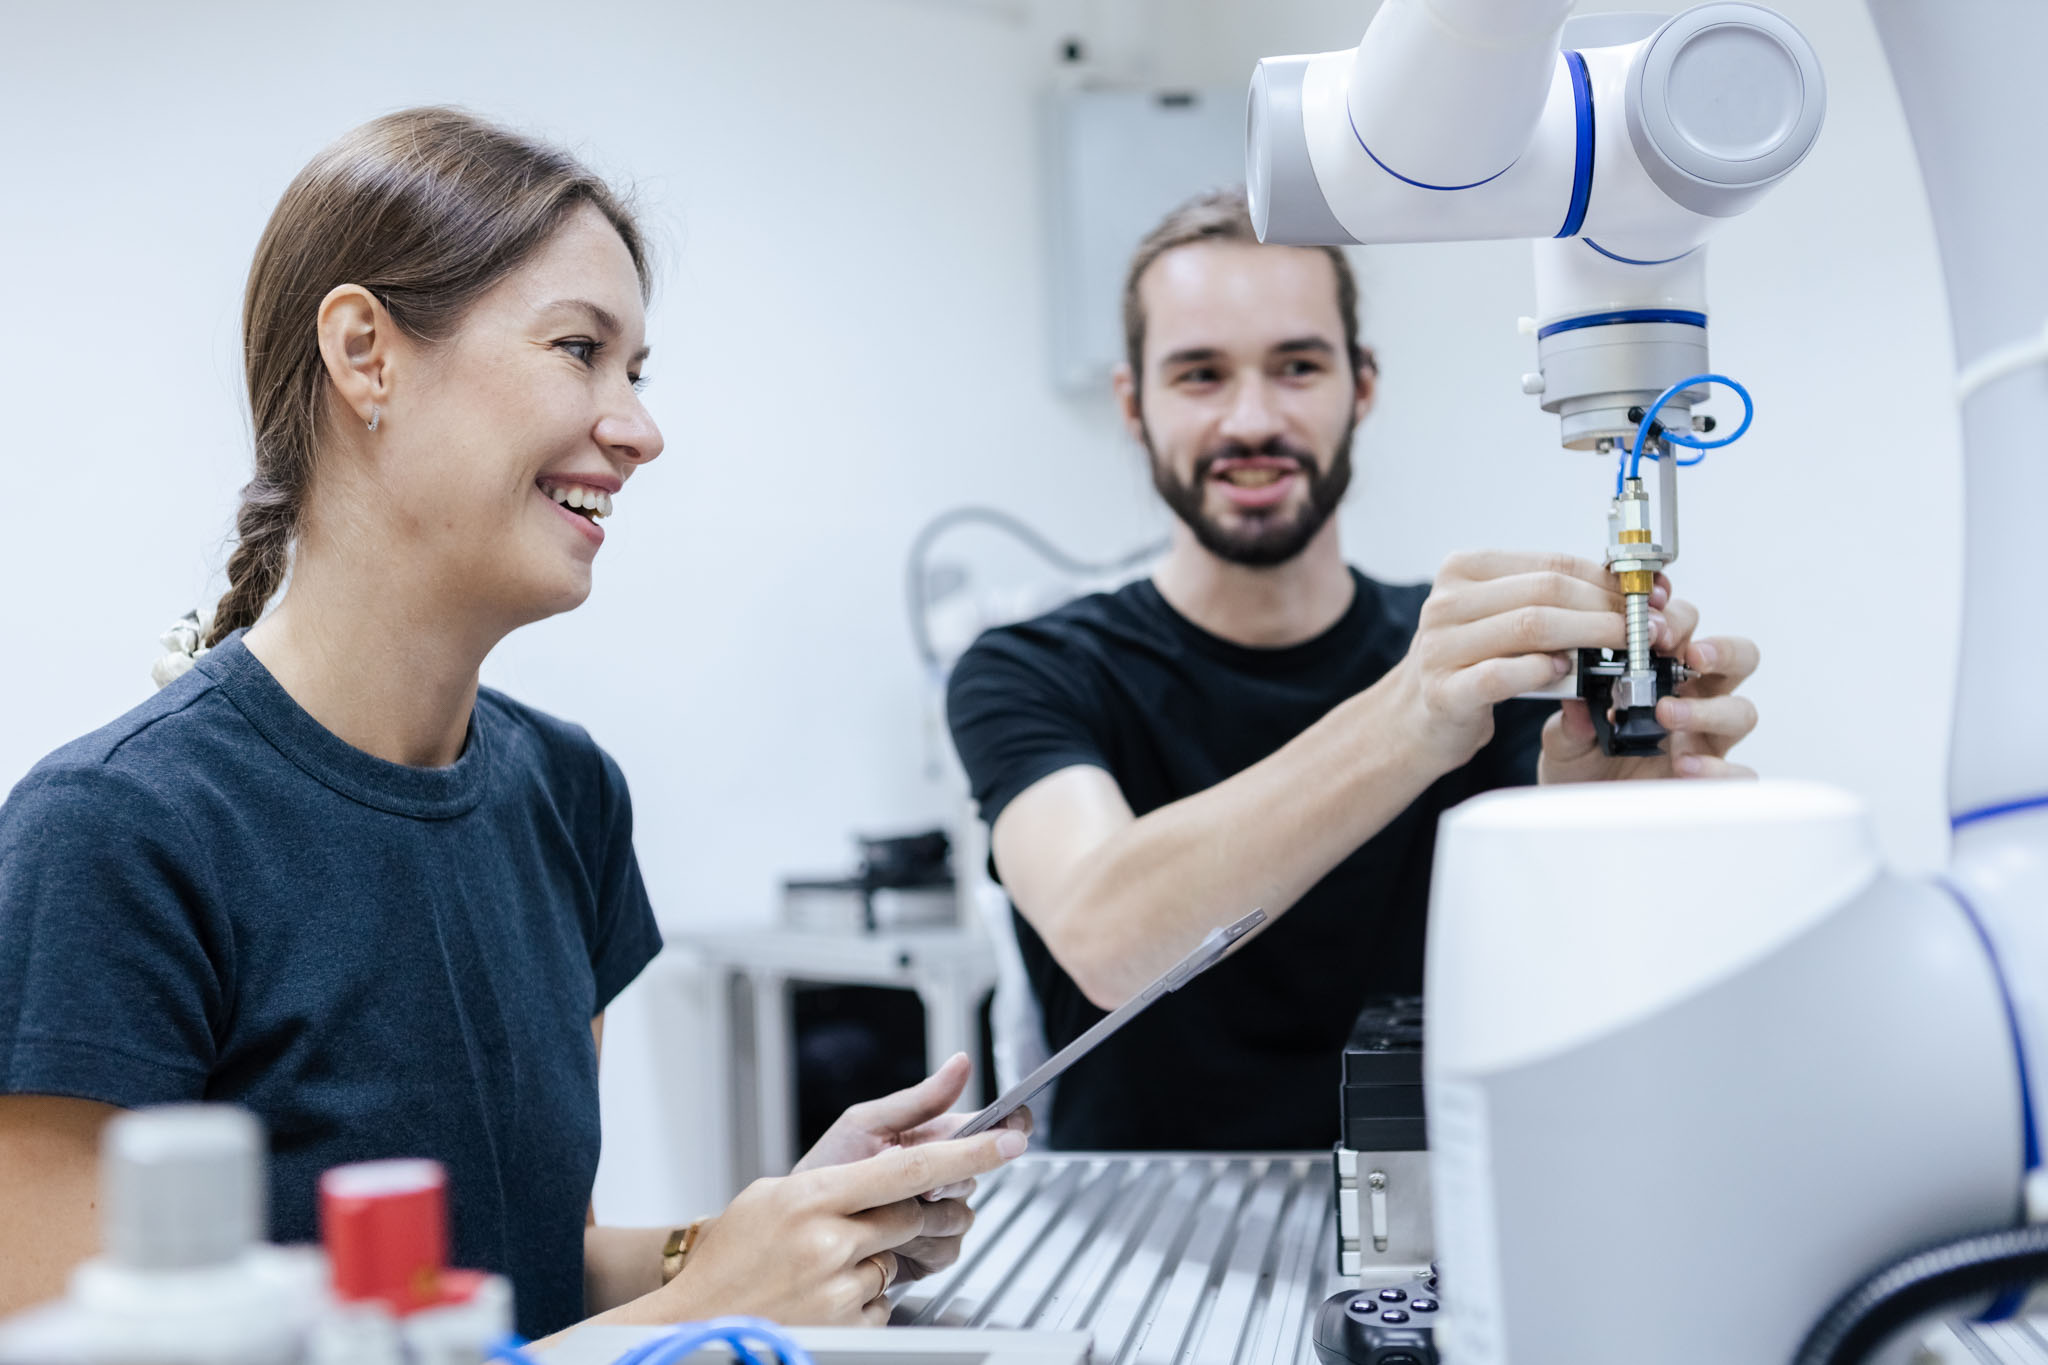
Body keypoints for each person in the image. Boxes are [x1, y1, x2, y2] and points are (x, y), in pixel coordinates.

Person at [0, 108, 1027, 1342]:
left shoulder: (568, 795)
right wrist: (696, 1317)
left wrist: (780, 1232)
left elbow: (529, 1278)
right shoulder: (112, 839)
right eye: (579, 349)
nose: (639, 429)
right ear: (364, 353)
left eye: (634, 371)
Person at [946, 187, 1760, 1152]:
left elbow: (1578, 985)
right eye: (1200, 374)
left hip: (1437, 1213)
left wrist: (1612, 824)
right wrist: (1404, 719)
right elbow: (1107, 934)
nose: (1252, 420)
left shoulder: (1491, 670)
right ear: (1134, 403)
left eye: (1297, 365)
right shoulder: (1034, 669)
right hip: (1134, 1222)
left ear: (1361, 384)